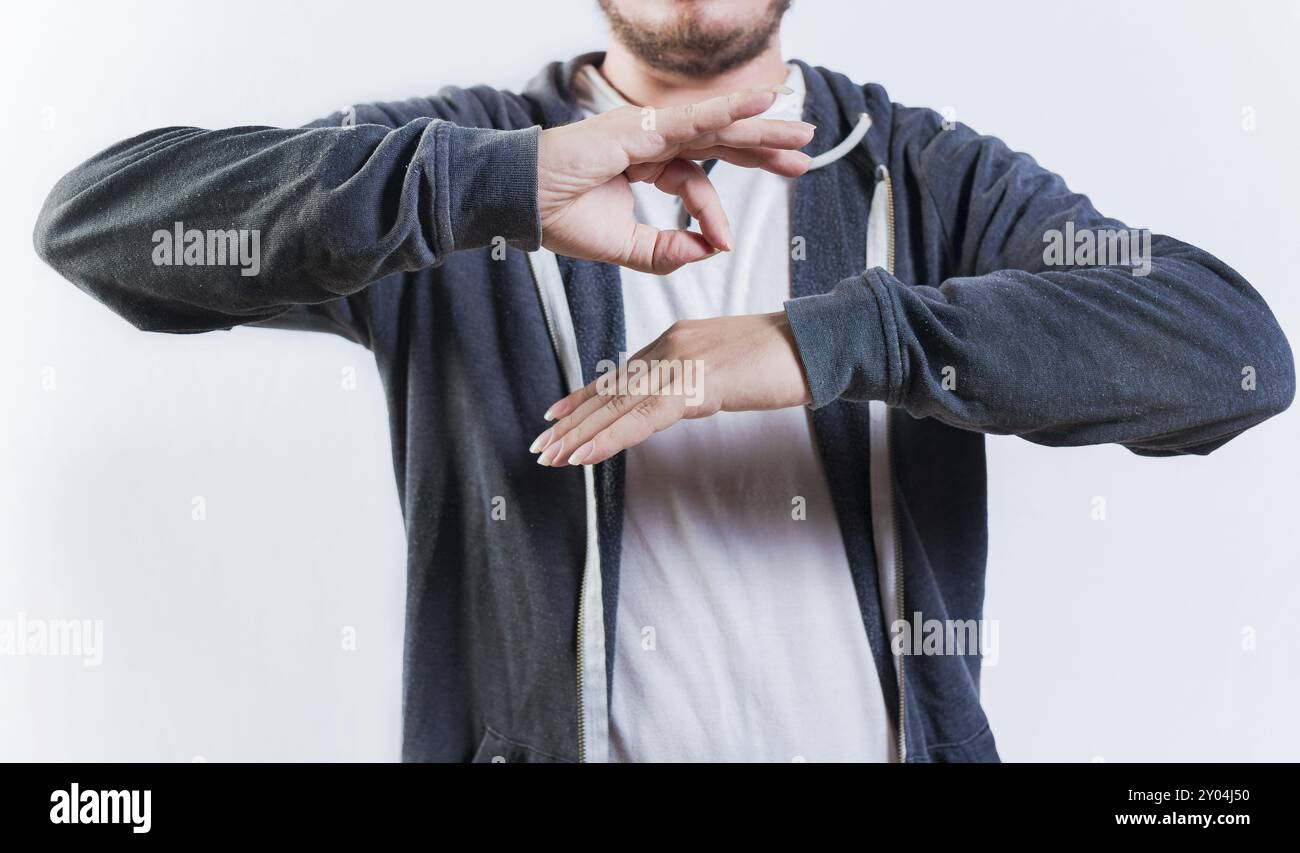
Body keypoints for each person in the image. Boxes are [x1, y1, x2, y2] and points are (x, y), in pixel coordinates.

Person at [32, 0, 1294, 763]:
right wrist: (491, 186)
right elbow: (99, 226)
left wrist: (820, 343)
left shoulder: (923, 177)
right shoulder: (455, 169)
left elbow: (1227, 351)